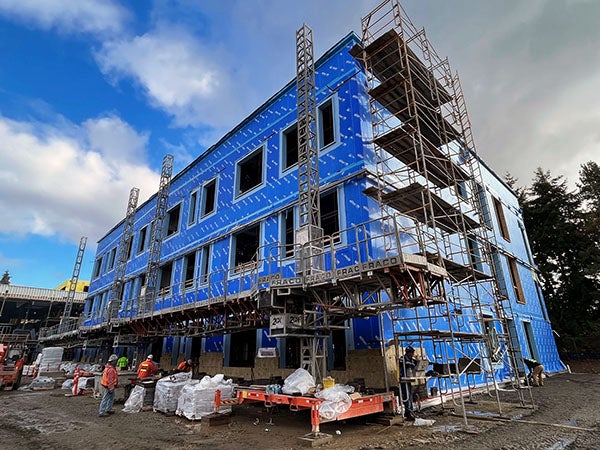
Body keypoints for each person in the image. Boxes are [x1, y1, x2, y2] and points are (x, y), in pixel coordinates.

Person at [399, 346, 417, 421]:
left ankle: (410, 411)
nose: (413, 354)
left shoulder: (411, 360)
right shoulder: (403, 359)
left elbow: (414, 364)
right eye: (411, 352)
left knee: (410, 395)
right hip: (404, 379)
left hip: (408, 379)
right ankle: (408, 412)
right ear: (408, 352)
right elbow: (408, 365)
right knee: (406, 395)